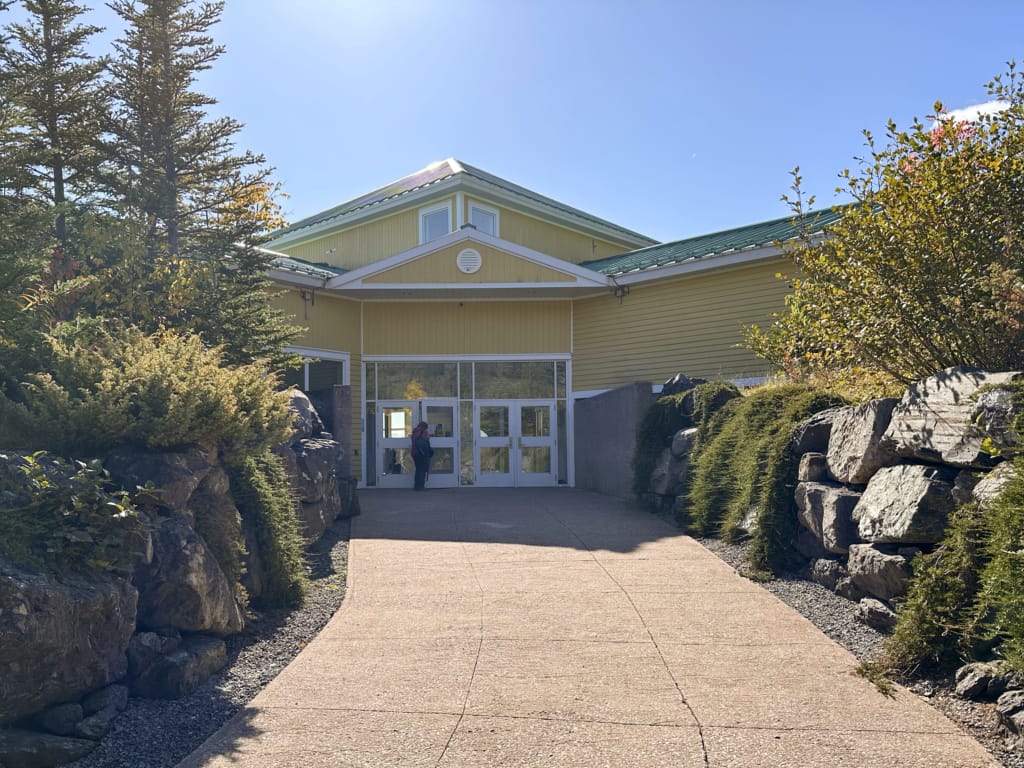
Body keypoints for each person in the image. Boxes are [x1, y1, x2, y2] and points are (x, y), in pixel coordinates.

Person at [411, 421, 433, 490]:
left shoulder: (414, 432)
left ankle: (416, 486)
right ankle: (421, 486)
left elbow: (414, 442)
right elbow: (426, 441)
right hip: (422, 453)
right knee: (422, 470)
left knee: (418, 469)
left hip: (415, 453)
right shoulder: (424, 432)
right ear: (424, 427)